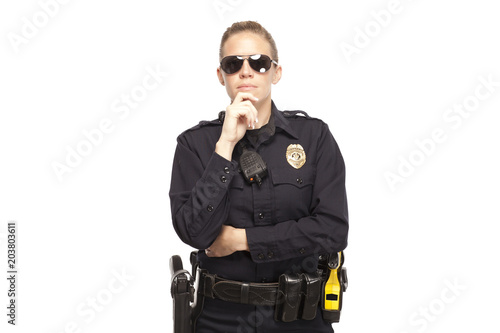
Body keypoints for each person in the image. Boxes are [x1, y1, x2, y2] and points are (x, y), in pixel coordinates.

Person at [169, 21, 348, 332]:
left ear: (276, 72)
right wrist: (225, 146)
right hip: (220, 318)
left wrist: (243, 240)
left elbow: (333, 230)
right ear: (221, 75)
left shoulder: (314, 137)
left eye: (259, 62)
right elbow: (194, 233)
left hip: (301, 317)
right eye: (233, 63)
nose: (246, 71)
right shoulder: (194, 145)